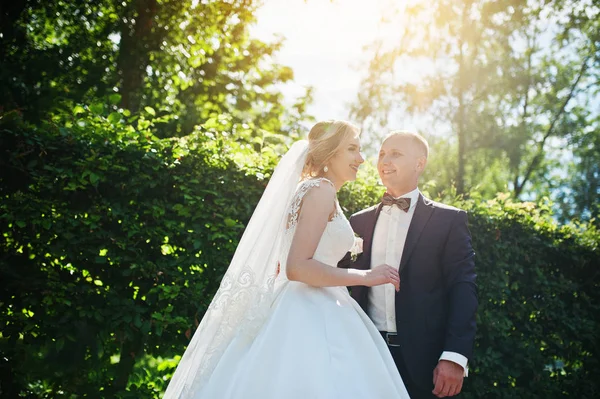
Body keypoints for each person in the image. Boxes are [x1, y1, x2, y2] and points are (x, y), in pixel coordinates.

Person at [163, 121, 410, 398]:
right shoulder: (321, 190)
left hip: (306, 301)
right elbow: (297, 267)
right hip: (310, 309)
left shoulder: (312, 189)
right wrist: (366, 276)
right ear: (329, 154)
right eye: (352, 149)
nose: (361, 159)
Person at [341, 131, 478, 399]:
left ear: (420, 163)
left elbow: (463, 288)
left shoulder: (449, 221)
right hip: (366, 354)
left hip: (425, 362)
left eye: (396, 154)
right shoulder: (358, 222)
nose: (385, 160)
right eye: (382, 154)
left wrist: (455, 355)